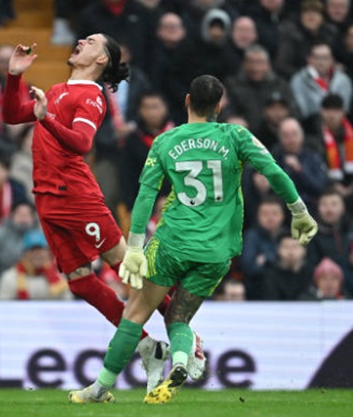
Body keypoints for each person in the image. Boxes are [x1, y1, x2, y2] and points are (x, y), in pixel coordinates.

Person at [68, 75, 318, 404]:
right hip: (217, 250)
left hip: (172, 243)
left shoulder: (165, 142)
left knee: (136, 312)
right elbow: (273, 171)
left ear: (187, 101)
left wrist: (133, 246)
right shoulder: (235, 136)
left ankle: (99, 388)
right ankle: (182, 362)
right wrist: (299, 211)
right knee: (179, 317)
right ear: (219, 105)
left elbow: (146, 195)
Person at [2, 34, 193, 392]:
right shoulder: (57, 89)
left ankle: (186, 337)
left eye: (90, 41)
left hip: (75, 194)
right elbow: (12, 115)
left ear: (101, 59)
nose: (80, 41)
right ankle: (146, 346)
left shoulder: (90, 95)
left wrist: (45, 121)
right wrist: (14, 76)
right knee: (79, 281)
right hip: (46, 196)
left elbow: (81, 143)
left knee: (126, 267)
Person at [0, 229, 72, 300]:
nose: (37, 254)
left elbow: (67, 308)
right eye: (32, 250)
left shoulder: (60, 279)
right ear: (24, 254)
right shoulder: (9, 278)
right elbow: (3, 309)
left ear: (47, 252)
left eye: (40, 250)